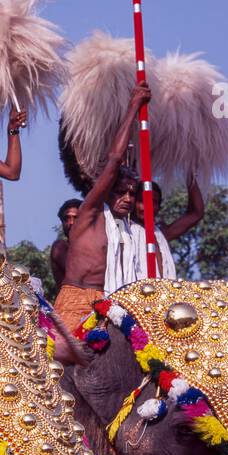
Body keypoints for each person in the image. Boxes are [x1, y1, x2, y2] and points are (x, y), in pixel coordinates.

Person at [54, 81, 150, 334]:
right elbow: (115, 159)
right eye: (120, 192)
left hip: (111, 305)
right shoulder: (90, 213)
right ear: (106, 191)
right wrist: (133, 106)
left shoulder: (128, 230)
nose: (128, 198)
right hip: (75, 302)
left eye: (132, 193)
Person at [129, 177, 204, 281]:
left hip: (164, 294)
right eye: (142, 200)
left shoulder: (160, 234)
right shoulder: (123, 229)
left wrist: (191, 174)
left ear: (159, 207)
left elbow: (196, 213)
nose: (147, 206)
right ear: (132, 202)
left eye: (153, 202)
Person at [50, 198, 83, 290]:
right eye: (66, 219)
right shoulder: (60, 247)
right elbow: (79, 275)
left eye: (75, 218)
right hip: (72, 302)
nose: (71, 223)